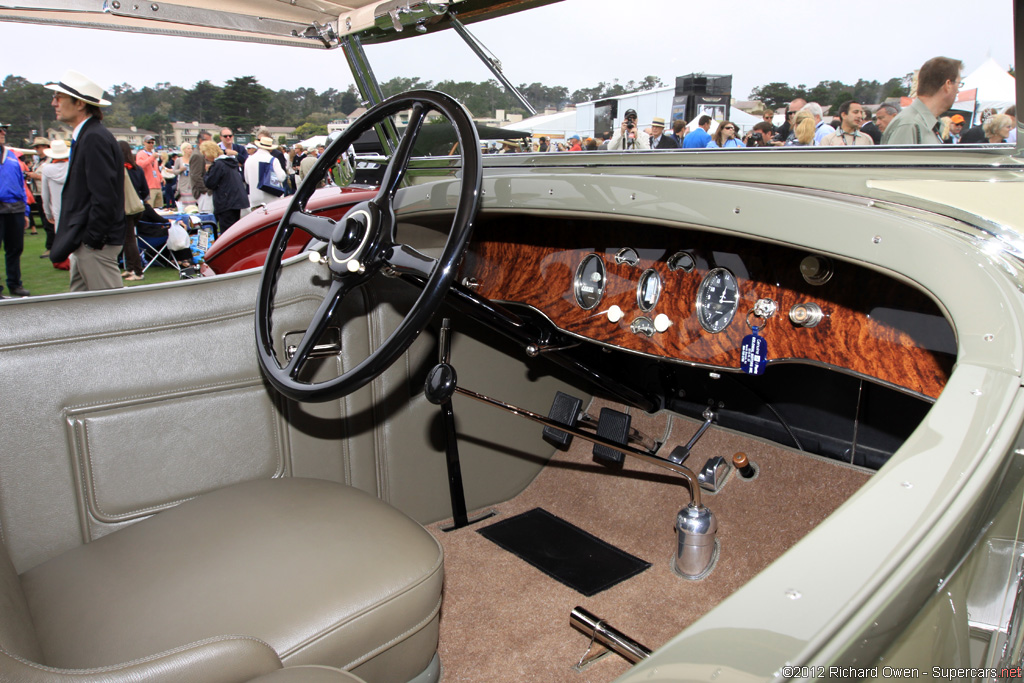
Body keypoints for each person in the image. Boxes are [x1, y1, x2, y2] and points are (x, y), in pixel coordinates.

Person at [45, 69, 125, 291]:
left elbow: (105, 195)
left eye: (59, 97)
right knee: (80, 309)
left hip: (95, 244)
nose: (54, 103)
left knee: (111, 312)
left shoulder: (94, 138)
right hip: (88, 242)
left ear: (80, 103)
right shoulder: (88, 135)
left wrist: (93, 239)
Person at [882, 56, 963, 145]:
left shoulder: (924, 124)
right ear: (948, 85)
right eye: (959, 84)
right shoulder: (909, 125)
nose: (958, 90)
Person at [0, 121, 31, 297]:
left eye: (4, 130)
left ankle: (15, 284)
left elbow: (20, 183)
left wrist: (26, 210)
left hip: (16, 208)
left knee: (15, 248)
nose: (3, 132)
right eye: (0, 130)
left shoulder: (11, 155)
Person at [201, 140, 247, 235]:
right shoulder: (229, 162)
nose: (205, 157)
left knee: (226, 231)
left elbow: (210, 183)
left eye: (205, 154)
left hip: (226, 201)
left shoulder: (218, 164)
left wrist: (207, 172)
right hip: (235, 200)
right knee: (234, 228)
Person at [119, 140, 146, 280]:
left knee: (129, 240)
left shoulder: (120, 170)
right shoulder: (137, 169)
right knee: (128, 238)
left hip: (126, 207)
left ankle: (137, 271)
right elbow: (145, 190)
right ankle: (130, 268)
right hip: (137, 207)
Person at [39, 139, 69, 246]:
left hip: (58, 210)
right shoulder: (73, 167)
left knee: (62, 242)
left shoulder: (47, 169)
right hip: (75, 209)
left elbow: (45, 194)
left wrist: (47, 212)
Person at [244, 136, 287, 210]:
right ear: (270, 149)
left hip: (255, 200)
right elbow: (281, 177)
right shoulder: (273, 160)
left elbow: (247, 180)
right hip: (272, 199)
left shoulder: (249, 160)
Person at [25, 137, 51, 241]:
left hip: (47, 193)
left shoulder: (50, 160)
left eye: (38, 147)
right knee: (44, 220)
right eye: (35, 147)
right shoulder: (37, 162)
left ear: (45, 147)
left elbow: (52, 176)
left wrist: (35, 176)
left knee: (49, 220)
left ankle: (51, 245)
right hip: (38, 193)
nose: (36, 149)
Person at [135, 135, 164, 207]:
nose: (151, 144)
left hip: (157, 186)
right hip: (149, 186)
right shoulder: (141, 154)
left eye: (152, 142)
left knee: (159, 208)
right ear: (144, 143)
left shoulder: (154, 153)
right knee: (150, 207)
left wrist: (161, 177)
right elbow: (140, 165)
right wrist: (152, 158)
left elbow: (156, 169)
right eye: (149, 142)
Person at [191, 131, 214, 214]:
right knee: (206, 216)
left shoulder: (201, 153)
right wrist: (205, 190)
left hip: (205, 191)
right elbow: (196, 176)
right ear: (201, 141)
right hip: (203, 193)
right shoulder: (197, 155)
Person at [172, 142, 196, 211]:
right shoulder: (179, 160)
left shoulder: (193, 159)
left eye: (191, 148)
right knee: (183, 205)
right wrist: (180, 170)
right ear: (184, 150)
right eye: (188, 148)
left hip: (192, 184)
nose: (190, 150)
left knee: (192, 205)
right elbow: (174, 172)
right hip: (183, 185)